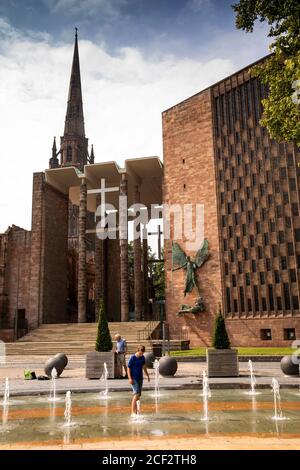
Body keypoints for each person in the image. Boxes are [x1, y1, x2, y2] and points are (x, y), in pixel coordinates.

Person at [127, 345, 150, 416]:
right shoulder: (132, 358)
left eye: (142, 353)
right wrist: (130, 378)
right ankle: (132, 412)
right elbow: (128, 368)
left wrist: (147, 375)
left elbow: (144, 367)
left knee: (138, 395)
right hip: (134, 378)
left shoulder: (143, 358)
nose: (141, 354)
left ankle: (137, 411)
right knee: (136, 394)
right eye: (140, 353)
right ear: (138, 350)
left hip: (140, 378)